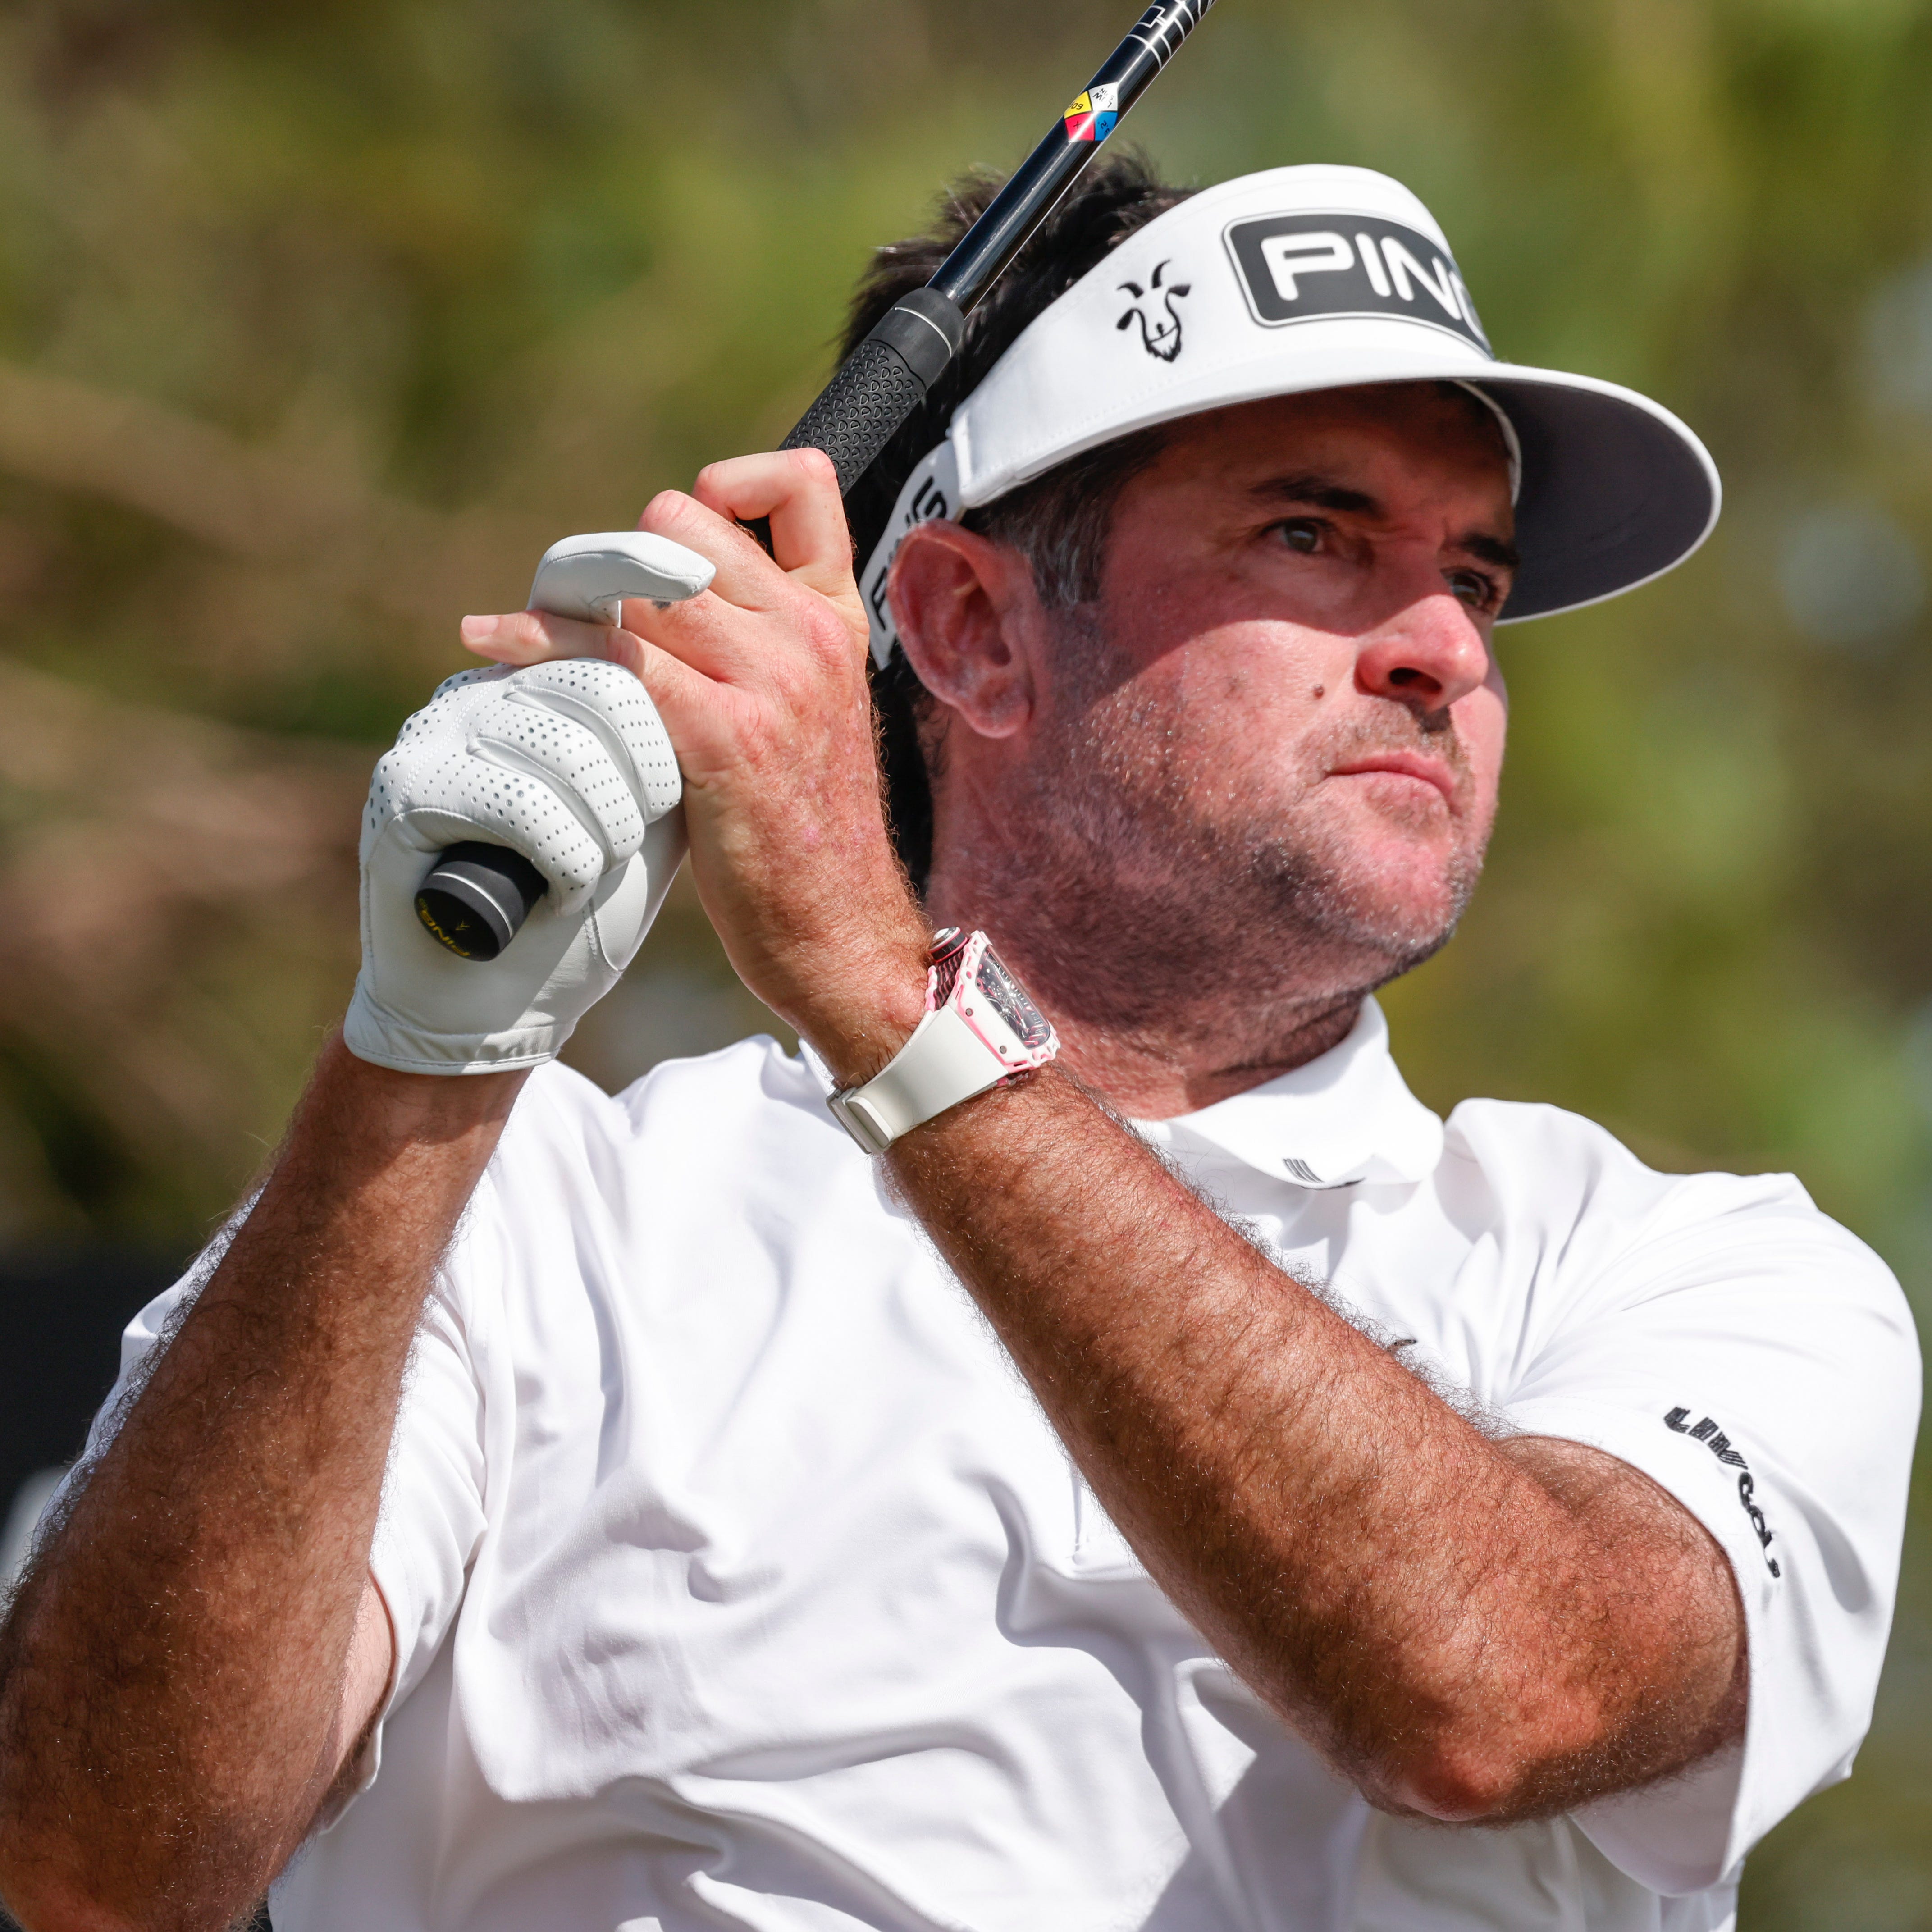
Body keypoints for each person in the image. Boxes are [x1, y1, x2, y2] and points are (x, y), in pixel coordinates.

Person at [0, 157, 1917, 1932]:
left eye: (1475, 574)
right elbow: (99, 1860)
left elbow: (1497, 1693)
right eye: (1315, 531)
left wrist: (889, 1004)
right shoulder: (539, 1207)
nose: (1441, 643)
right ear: (971, 633)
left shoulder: (1692, 1267)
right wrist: (420, 1040)